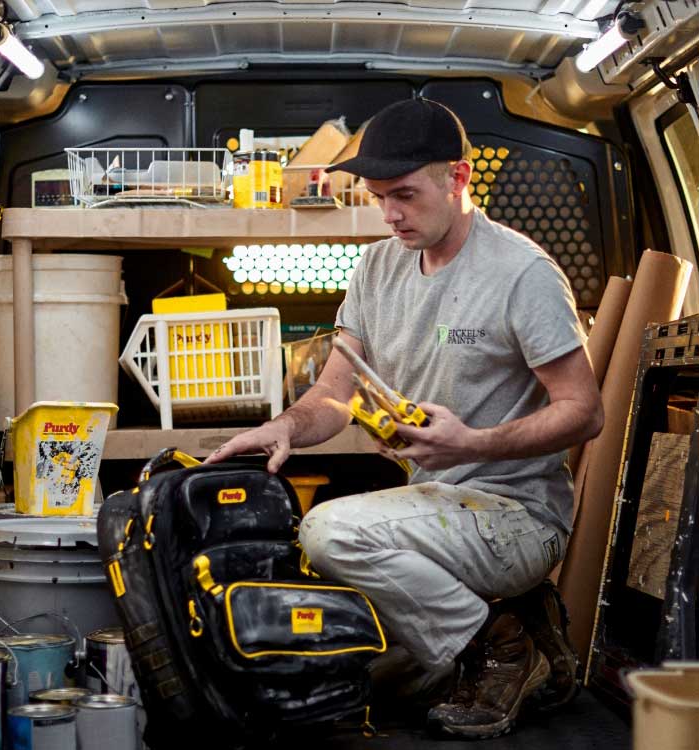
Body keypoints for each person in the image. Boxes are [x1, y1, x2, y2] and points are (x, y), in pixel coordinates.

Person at [205, 97, 604, 739]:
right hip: (433, 510)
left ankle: (503, 646)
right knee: (367, 677)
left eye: (406, 195)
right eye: (377, 196)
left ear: (459, 178)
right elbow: (333, 394)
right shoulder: (375, 266)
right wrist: (285, 427)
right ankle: (528, 630)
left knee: (329, 534)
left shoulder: (522, 273)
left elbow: (586, 413)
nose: (390, 213)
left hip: (516, 516)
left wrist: (472, 442)